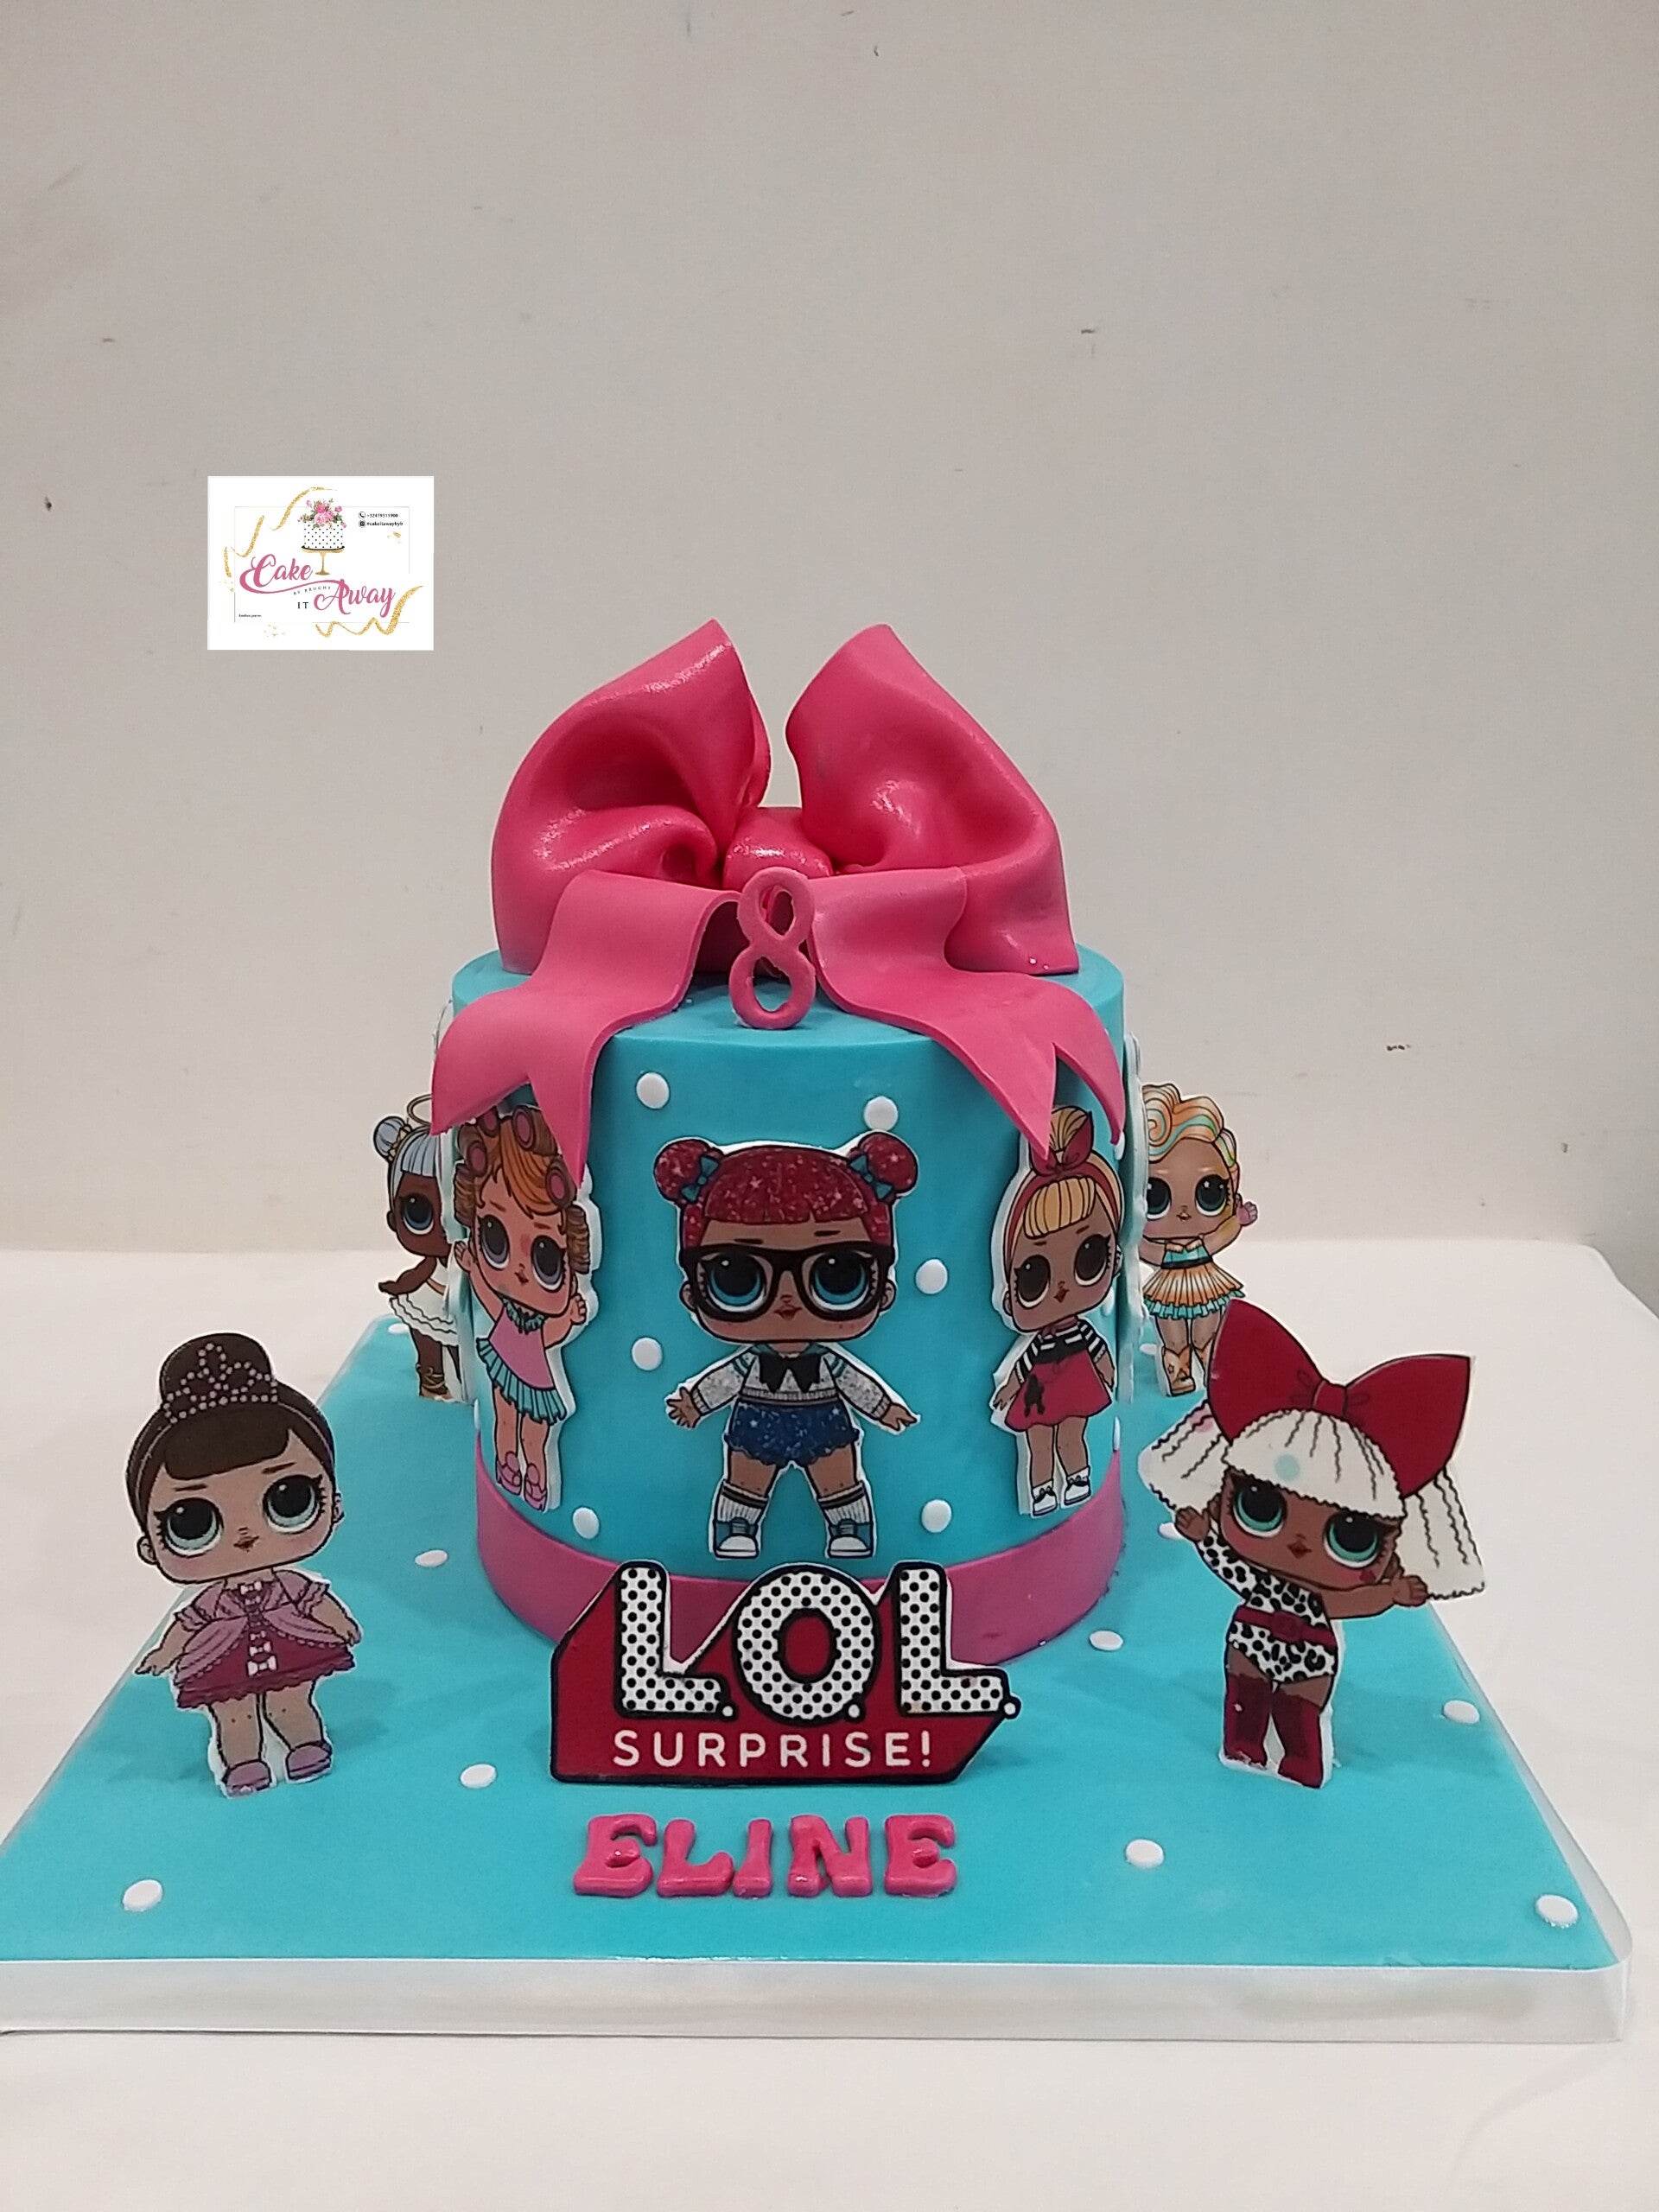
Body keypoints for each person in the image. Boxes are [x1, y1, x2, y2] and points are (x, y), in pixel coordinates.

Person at [656, 1133, 918, 1560]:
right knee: (747, 1478)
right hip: (757, 1422)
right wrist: (696, 1404)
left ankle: (848, 1526)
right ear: (692, 1293)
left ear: (883, 1291)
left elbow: (855, 1383)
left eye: (837, 1274)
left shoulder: (829, 1365)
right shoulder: (750, 1365)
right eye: (737, 1276)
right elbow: (724, 1381)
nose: (788, 1300)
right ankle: (737, 1525)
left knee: (837, 1477)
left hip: (824, 1422)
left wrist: (883, 1409)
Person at [129, 1334, 360, 1796]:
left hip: (292, 1645)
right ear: (150, 1547)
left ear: (334, 1505)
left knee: (289, 1703)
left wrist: (341, 1624)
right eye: (191, 1521)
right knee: (234, 1716)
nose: (244, 1535)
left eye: (289, 1499)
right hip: (220, 1659)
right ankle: (243, 1765)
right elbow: (188, 1623)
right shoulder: (211, 1601)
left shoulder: (291, 1587)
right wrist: (165, 1653)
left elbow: (316, 1601)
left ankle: (306, 1747)